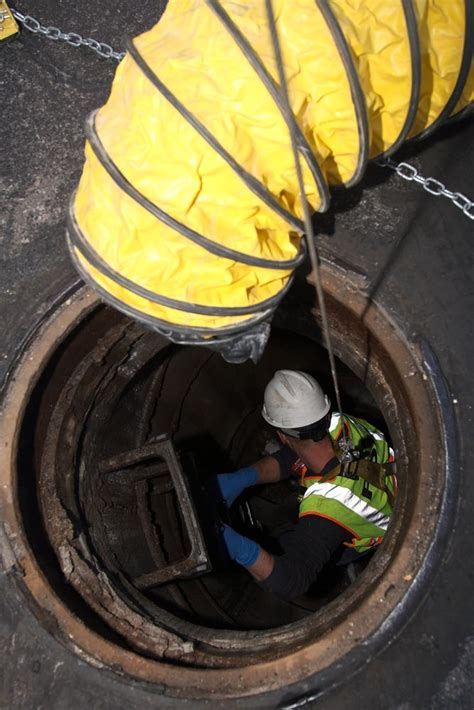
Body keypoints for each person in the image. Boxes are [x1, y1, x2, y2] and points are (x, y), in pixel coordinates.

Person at [218, 370, 396, 601]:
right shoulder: (341, 424)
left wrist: (241, 549)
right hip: (386, 485)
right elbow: (290, 458)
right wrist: (245, 477)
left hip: (366, 529)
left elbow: (292, 581)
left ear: (282, 436)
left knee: (283, 549)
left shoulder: (330, 503)